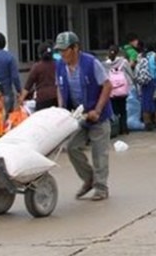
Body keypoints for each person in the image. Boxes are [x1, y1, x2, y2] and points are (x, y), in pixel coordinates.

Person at [54, 31, 113, 201]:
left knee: (99, 152)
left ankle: (101, 188)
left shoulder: (91, 63)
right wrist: (60, 109)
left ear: (75, 48)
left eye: (65, 50)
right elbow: (59, 87)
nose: (62, 54)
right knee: (72, 147)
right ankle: (89, 179)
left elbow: (107, 86)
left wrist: (98, 110)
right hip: (78, 115)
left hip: (97, 115)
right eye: (60, 51)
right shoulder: (59, 66)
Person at [18, 42, 58, 111]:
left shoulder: (37, 67)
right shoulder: (57, 65)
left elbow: (28, 85)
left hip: (42, 99)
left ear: (39, 54)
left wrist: (21, 99)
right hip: (56, 98)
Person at [105, 45, 134, 136]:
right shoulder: (123, 62)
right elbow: (130, 73)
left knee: (114, 111)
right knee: (123, 110)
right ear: (118, 52)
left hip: (112, 91)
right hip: (123, 90)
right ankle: (124, 129)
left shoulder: (106, 63)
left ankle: (116, 129)